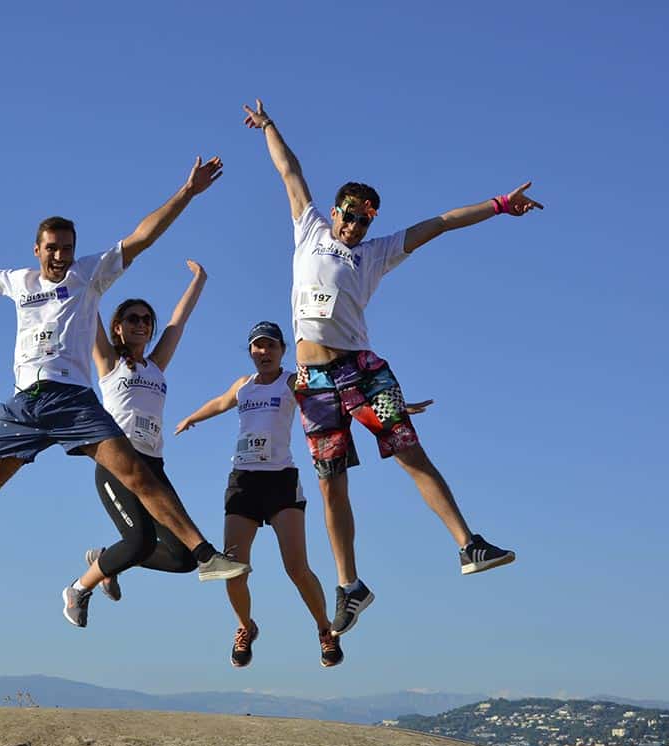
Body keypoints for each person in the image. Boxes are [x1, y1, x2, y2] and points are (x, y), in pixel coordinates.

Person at [0, 157, 250, 635]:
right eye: (52, 249)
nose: (60, 257)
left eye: (67, 248)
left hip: (73, 400)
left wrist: (187, 192)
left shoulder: (91, 274)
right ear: (37, 249)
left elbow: (142, 237)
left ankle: (205, 555)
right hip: (23, 405)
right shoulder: (21, 281)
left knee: (138, 473)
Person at [241, 98, 543, 637]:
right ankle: (349, 586)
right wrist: (270, 126)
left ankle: (468, 544)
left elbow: (441, 223)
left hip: (362, 371)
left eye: (366, 218)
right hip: (313, 384)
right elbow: (289, 170)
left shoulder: (377, 252)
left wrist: (499, 204)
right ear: (336, 212)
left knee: (410, 451)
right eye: (351, 215)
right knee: (332, 485)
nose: (357, 225)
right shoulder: (308, 229)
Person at [175, 322, 347, 668]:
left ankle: (325, 630)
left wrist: (377, 409)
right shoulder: (244, 385)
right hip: (243, 481)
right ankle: (245, 627)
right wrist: (192, 418)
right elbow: (221, 402)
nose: (263, 352)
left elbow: (334, 392)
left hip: (281, 480)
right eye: (257, 347)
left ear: (282, 350)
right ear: (251, 352)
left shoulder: (291, 381)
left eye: (270, 346)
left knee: (296, 568)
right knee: (234, 569)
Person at [78, 260, 212, 614]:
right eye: (132, 319)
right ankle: (80, 588)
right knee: (138, 542)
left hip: (153, 466)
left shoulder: (157, 364)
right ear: (118, 328)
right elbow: (86, 307)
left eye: (145, 320)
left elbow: (178, 323)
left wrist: (199, 280)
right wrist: (81, 281)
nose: (141, 324)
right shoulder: (109, 362)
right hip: (117, 463)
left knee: (184, 558)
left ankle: (108, 559)